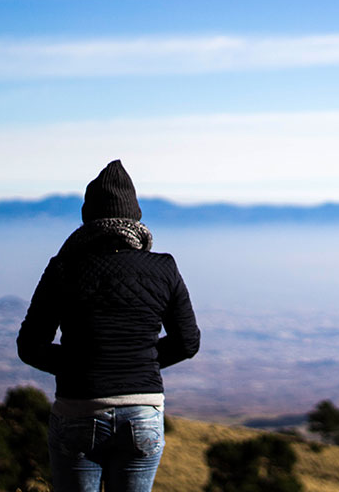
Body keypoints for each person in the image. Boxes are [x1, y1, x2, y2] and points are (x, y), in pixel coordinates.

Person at [17, 160, 201, 492]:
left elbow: (30, 346)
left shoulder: (63, 268)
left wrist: (81, 364)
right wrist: (137, 360)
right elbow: (187, 342)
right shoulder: (164, 269)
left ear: (88, 218)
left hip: (78, 408)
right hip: (143, 412)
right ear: (135, 217)